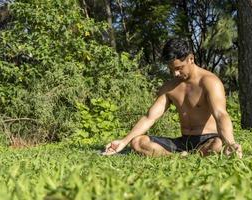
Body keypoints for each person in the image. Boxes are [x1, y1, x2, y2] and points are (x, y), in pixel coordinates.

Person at [103, 38, 242, 158]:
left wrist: (231, 143)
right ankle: (179, 157)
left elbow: (220, 114)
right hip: (183, 141)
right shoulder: (170, 87)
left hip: (208, 139)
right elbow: (149, 117)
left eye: (179, 68)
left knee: (218, 144)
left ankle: (193, 154)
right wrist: (123, 141)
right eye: (171, 69)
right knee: (137, 142)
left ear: (191, 59)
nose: (175, 73)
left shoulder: (209, 82)